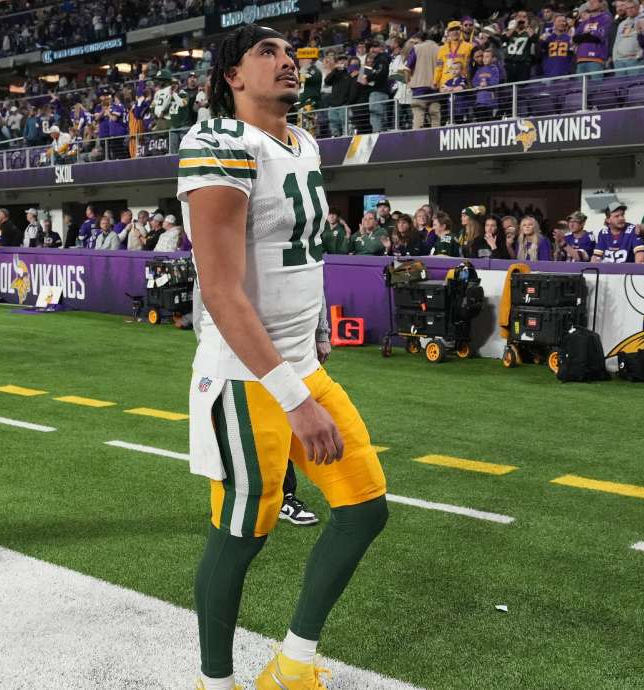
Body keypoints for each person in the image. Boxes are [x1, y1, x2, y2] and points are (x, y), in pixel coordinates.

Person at [180, 25, 387, 690]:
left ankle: (292, 664)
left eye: (290, 53)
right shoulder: (217, 140)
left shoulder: (301, 142)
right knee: (243, 533)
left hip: (299, 360)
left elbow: (302, 249)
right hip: (246, 376)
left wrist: (318, 325)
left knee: (364, 507)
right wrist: (294, 400)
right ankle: (215, 684)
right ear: (232, 76)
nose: (286, 62)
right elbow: (219, 288)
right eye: (265, 53)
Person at [573, 0, 613, 78]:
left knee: (596, 87)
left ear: (601, 3)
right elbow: (575, 38)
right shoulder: (585, 22)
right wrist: (588, 34)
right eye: (589, 1)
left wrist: (583, 36)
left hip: (596, 59)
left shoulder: (605, 18)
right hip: (581, 58)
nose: (591, 2)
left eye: (594, 1)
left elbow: (597, 38)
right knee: (580, 88)